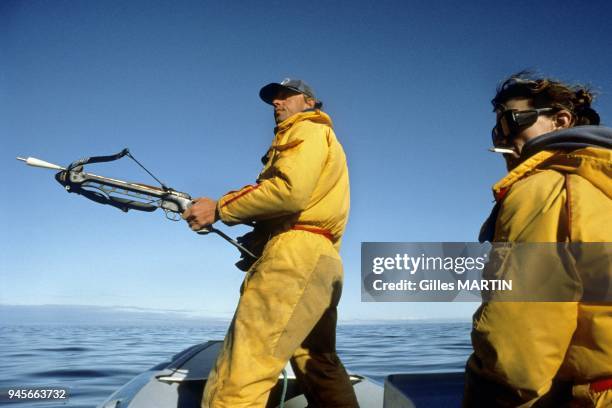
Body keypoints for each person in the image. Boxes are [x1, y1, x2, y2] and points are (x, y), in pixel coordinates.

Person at [183, 78, 359, 407]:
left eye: (286, 97)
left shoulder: (304, 129)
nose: (277, 103)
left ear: (309, 102)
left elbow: (289, 191)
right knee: (318, 362)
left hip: (295, 258)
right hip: (323, 262)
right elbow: (305, 203)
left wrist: (219, 208)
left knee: (241, 372)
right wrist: (262, 238)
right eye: (274, 99)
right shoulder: (323, 136)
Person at [463, 72, 612, 407]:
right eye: (497, 128)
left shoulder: (543, 187)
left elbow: (517, 358)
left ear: (561, 121)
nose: (503, 136)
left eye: (511, 121)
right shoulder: (600, 186)